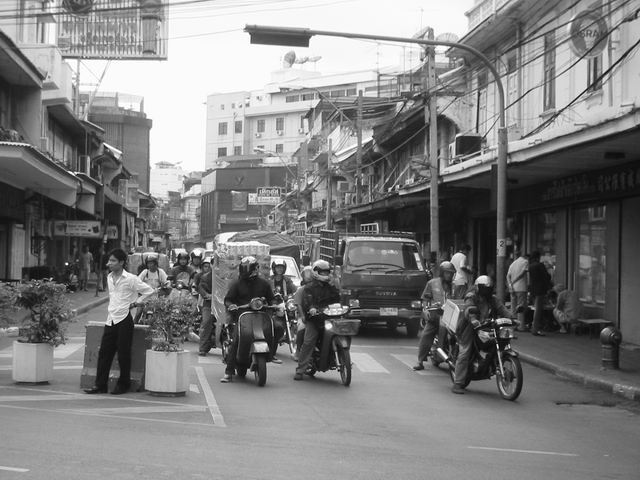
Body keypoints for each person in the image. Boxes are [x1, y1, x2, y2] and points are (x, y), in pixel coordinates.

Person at [84, 249, 155, 395]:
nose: (109, 263)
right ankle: (100, 385)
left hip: (124, 319)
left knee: (123, 354)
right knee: (104, 353)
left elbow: (149, 291)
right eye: (109, 260)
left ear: (121, 262)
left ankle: (123, 384)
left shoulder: (131, 278)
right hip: (111, 319)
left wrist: (136, 303)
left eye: (113, 261)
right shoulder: (109, 278)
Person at [451, 275, 512, 394]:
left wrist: (512, 318)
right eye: (484, 288)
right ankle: (457, 383)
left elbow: (502, 309)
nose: (487, 291)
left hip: (486, 325)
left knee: (498, 340)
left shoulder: (492, 299)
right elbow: (469, 308)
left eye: (489, 288)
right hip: (469, 326)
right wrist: (473, 319)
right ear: (478, 287)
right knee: (465, 352)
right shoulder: (471, 296)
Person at [221, 256, 276, 383]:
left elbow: (271, 299)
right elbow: (228, 299)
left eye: (249, 268)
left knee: (276, 329)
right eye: (244, 268)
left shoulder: (264, 284)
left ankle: (271, 354)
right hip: (242, 316)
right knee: (236, 340)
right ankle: (229, 372)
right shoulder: (237, 284)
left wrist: (274, 305)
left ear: (256, 269)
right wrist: (231, 305)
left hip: (261, 316)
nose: (246, 271)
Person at [293, 260, 340, 381]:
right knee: (308, 342)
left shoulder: (331, 287)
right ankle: (300, 370)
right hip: (314, 319)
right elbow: (308, 301)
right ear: (316, 272)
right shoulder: (309, 288)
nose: (325, 274)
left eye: (327, 272)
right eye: (323, 272)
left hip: (329, 318)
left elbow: (337, 299)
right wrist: (312, 308)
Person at [413, 261, 455, 371]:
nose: (449, 275)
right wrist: (426, 310)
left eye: (451, 273)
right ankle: (420, 361)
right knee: (426, 335)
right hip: (436, 315)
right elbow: (425, 299)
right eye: (447, 273)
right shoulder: (432, 283)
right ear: (442, 272)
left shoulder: (455, 286)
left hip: (450, 318)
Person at [269, 259, 295, 364]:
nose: (279, 269)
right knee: (275, 325)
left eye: (281, 267)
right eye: (277, 267)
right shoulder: (270, 280)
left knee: (294, 316)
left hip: (284, 304)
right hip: (273, 305)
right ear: (274, 268)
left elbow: (294, 290)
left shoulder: (287, 280)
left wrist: (290, 296)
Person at [291, 266, 314, 360]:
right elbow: (298, 304)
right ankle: (297, 351)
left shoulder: (319, 288)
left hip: (317, 316)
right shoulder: (301, 290)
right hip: (305, 316)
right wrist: (303, 316)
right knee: (301, 330)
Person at [528, 250, 552, 337]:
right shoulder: (540, 265)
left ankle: (534, 327)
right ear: (538, 257)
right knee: (538, 310)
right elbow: (546, 276)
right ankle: (535, 329)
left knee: (535, 308)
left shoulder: (530, 266)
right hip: (540, 290)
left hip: (533, 289)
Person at [506, 249, 529, 332]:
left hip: (513, 288)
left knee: (513, 307)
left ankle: (513, 325)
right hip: (521, 287)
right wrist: (515, 280)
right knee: (521, 307)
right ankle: (521, 326)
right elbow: (523, 273)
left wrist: (510, 285)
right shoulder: (525, 262)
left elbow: (508, 276)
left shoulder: (513, 264)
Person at [197, 257, 216, 356]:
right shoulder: (205, 277)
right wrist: (207, 295)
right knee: (206, 322)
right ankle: (203, 348)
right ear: (212, 265)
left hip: (223, 305)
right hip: (209, 304)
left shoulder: (227, 277)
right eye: (215, 264)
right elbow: (201, 288)